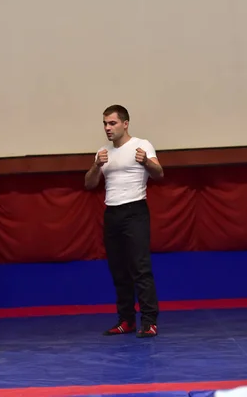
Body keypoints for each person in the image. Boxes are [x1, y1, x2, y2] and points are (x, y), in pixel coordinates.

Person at [84, 104, 164, 338]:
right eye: (105, 124)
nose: (107, 128)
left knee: (140, 268)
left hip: (135, 211)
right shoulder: (102, 152)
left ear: (125, 123)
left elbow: (159, 174)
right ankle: (126, 320)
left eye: (112, 123)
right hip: (112, 213)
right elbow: (89, 184)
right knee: (118, 269)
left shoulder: (142, 145)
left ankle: (149, 321)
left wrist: (146, 162)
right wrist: (96, 165)